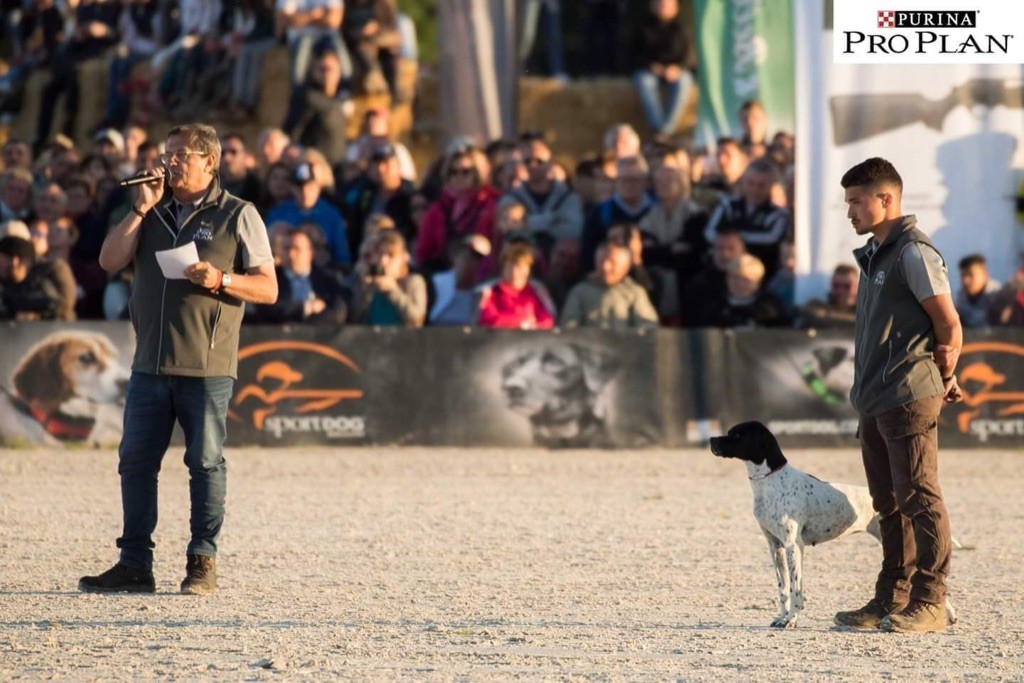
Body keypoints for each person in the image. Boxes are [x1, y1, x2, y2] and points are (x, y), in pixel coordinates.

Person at [80, 123, 278, 596]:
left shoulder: (239, 214)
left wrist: (221, 280)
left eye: (182, 155)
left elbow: (268, 288)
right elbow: (109, 260)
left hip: (206, 367)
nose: (170, 162)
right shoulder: (150, 211)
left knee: (205, 463)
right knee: (135, 462)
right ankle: (134, 564)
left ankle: (201, 561)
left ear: (209, 162)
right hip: (149, 362)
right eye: (167, 153)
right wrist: (139, 210)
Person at [834, 157, 962, 634]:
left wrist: (949, 369)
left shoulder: (914, 252)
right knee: (887, 501)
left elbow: (949, 323)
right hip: (875, 397)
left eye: (855, 201)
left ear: (885, 199)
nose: (849, 211)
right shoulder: (875, 254)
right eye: (847, 201)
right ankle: (892, 597)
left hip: (909, 393)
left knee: (919, 497)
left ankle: (930, 600)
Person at [254, 225, 349, 324]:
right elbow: (267, 310)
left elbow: (338, 313)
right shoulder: (271, 278)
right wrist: (306, 308)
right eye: (287, 248)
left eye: (297, 249)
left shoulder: (329, 279)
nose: (291, 253)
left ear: (311, 253)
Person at [560, 239, 659, 329]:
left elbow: (649, 326)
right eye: (601, 261)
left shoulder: (636, 293)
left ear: (626, 266)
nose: (606, 267)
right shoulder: (580, 292)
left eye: (613, 263)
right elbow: (568, 326)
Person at [632, 0, 694, 137]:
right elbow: (634, 55)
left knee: (685, 81)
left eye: (667, 5)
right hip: (650, 71)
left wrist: (677, 68)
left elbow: (689, 57)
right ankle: (658, 127)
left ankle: (665, 131)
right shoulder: (643, 28)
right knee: (643, 81)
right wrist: (652, 67)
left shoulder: (682, 29)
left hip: (675, 72)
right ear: (652, 6)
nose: (663, 8)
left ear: (675, 8)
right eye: (660, 4)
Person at [350, 230, 426, 326]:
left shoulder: (414, 282)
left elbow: (417, 319)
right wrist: (361, 285)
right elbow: (356, 319)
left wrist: (393, 290)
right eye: (380, 254)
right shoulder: (372, 284)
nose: (384, 261)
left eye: (391, 255)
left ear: (403, 258)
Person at [478, 242, 556, 329]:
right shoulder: (490, 293)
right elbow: (488, 320)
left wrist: (535, 327)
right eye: (510, 267)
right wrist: (521, 322)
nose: (514, 271)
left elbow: (548, 321)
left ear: (528, 269)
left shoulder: (538, 293)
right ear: (502, 268)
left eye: (520, 266)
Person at [799, 263, 859, 329]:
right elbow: (810, 315)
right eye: (836, 285)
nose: (840, 291)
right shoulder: (817, 306)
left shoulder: (863, 310)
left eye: (847, 286)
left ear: (857, 287)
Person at [953, 253, 1000, 329]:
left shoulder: (997, 296)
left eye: (970, 275)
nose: (965, 281)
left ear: (985, 275)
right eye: (963, 275)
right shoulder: (961, 297)